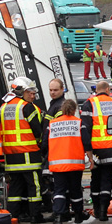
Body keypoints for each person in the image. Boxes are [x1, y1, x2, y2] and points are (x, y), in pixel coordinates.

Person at [0, 77, 45, 224]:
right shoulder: (27, 107)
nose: (32, 96)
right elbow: (37, 130)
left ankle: (13, 216)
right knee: (35, 187)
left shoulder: (3, 107)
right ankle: (35, 215)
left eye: (33, 93)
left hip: (11, 156)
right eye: (29, 92)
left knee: (15, 188)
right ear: (20, 91)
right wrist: (40, 144)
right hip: (29, 154)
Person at [43, 99, 94, 224]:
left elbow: (44, 144)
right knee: (75, 190)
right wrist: (91, 158)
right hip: (74, 164)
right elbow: (86, 142)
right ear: (74, 110)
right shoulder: (78, 123)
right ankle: (78, 215)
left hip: (57, 165)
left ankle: (58, 216)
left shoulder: (52, 124)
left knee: (59, 190)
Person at [81, 81, 112, 221]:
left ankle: (97, 209)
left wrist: (87, 151)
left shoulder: (89, 103)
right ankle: (104, 211)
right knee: (107, 180)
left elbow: (85, 129)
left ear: (96, 90)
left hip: (96, 150)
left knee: (95, 179)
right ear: (107, 89)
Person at [40, 78, 67, 215]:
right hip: (53, 149)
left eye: (56, 90)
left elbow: (52, 130)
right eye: (50, 90)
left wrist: (44, 147)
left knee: (56, 184)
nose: (52, 92)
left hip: (54, 149)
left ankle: (59, 211)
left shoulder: (59, 106)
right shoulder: (54, 104)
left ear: (62, 90)